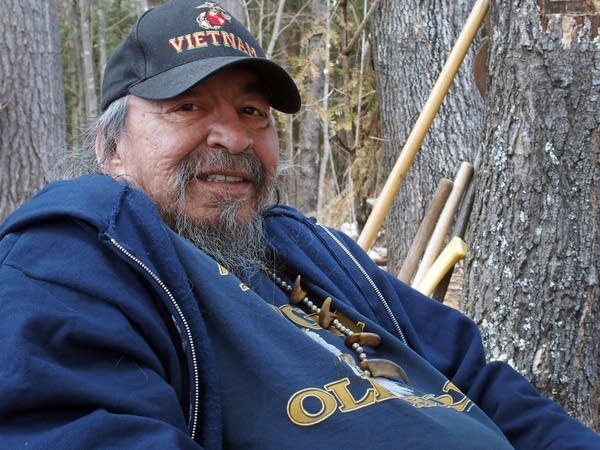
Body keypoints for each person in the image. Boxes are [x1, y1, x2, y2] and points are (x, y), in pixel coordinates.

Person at [0, 1, 598, 448]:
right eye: (187, 107)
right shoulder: (74, 256)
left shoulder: (310, 249)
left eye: (252, 111)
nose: (233, 137)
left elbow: (481, 383)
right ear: (112, 149)